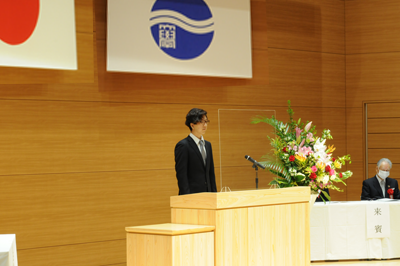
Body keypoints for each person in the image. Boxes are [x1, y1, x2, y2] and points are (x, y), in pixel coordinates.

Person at [174, 108, 217, 195]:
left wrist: (215, 194)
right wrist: (187, 197)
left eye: (206, 121)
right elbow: (182, 176)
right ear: (192, 125)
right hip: (192, 196)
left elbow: (211, 173)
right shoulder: (183, 145)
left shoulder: (208, 145)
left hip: (208, 196)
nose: (205, 125)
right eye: (201, 122)